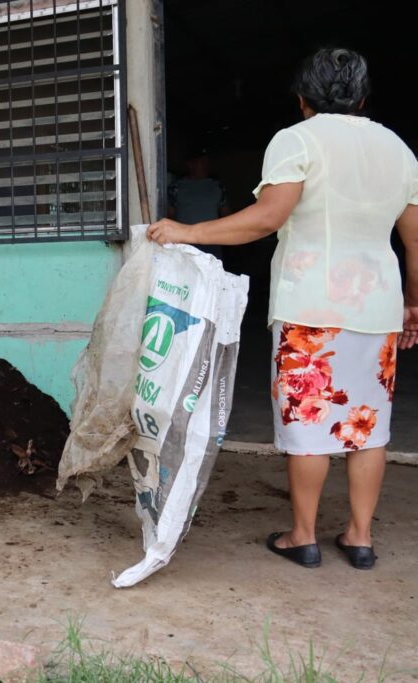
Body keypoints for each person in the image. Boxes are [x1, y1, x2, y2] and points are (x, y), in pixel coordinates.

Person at [147, 48, 418, 570]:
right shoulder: (398, 150)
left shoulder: (297, 140)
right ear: (363, 99)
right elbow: (414, 239)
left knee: (310, 425)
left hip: (311, 309)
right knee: (368, 426)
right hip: (378, 307)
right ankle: (360, 538)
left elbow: (266, 218)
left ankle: (303, 536)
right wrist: (412, 300)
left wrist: (187, 231)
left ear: (302, 99)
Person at [167, 150, 230, 259]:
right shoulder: (176, 187)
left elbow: (227, 216)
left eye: (207, 162)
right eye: (201, 162)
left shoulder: (217, 186)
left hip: (212, 244)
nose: (205, 166)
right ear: (190, 164)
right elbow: (169, 217)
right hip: (184, 244)